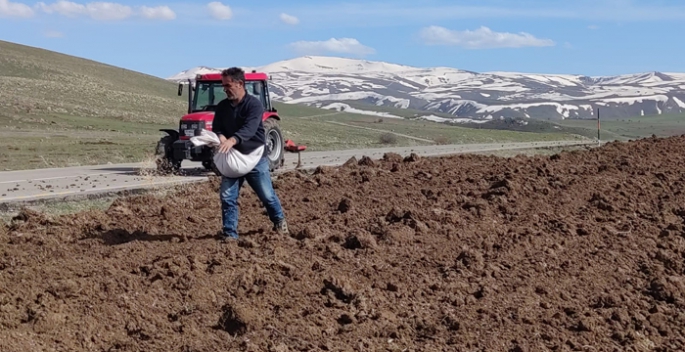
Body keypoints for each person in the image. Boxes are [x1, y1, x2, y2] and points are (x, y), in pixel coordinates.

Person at [211, 67, 288, 241]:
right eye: (223, 85)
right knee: (227, 196)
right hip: (232, 159)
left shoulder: (254, 105)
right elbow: (217, 128)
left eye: (228, 85)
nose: (225, 89)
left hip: (255, 157)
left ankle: (279, 221)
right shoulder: (223, 107)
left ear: (240, 84)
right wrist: (221, 137)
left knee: (267, 195)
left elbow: (250, 129)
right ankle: (230, 234)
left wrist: (232, 140)